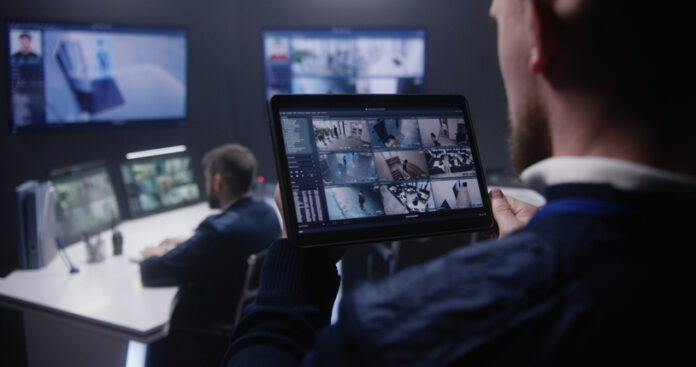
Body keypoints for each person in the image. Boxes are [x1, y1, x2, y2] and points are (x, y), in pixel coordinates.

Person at [224, 1, 695, 365]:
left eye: (497, 17)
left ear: (537, 31)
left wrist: (294, 272)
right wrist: (544, 258)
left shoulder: (396, 331)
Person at [140, 143, 281, 366]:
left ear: (218, 181)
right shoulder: (267, 213)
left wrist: (152, 254)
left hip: (202, 337)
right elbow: (233, 247)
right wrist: (193, 242)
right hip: (247, 326)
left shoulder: (217, 232)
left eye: (206, 179)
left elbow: (153, 273)